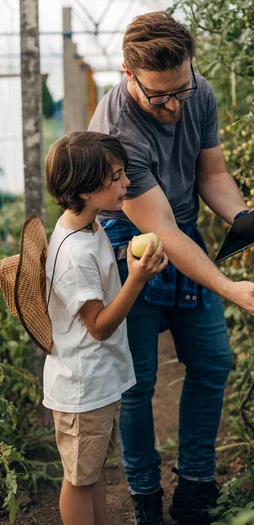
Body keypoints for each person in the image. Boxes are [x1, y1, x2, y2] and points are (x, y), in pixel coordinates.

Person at [89, 11, 254, 525]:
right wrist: (229, 287)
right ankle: (145, 495)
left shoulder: (195, 92)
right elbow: (161, 232)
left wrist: (244, 217)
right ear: (127, 74)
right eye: (161, 98)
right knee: (138, 382)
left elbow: (213, 172)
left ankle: (196, 485)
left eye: (183, 88)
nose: (176, 104)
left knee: (213, 360)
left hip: (180, 230)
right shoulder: (115, 134)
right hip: (126, 242)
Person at [44, 131, 168, 525]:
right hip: (82, 386)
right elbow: (97, 326)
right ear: (84, 188)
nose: (126, 183)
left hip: (97, 381)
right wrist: (137, 278)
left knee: (91, 473)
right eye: (115, 177)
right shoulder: (75, 254)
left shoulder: (89, 227)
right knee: (79, 481)